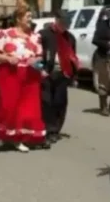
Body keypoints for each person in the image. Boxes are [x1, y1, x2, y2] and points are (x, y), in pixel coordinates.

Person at [0, 6, 49, 153]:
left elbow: (39, 56)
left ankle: (18, 138)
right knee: (8, 105)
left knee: (26, 108)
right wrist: (8, 58)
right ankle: (1, 134)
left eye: (30, 16)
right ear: (18, 19)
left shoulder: (35, 37)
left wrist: (36, 61)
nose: (30, 19)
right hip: (9, 74)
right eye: (27, 16)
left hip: (29, 75)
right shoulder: (5, 34)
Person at [38, 11, 78, 143]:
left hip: (63, 74)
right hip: (47, 73)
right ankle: (47, 130)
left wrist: (73, 77)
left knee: (60, 103)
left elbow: (73, 58)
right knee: (47, 102)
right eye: (63, 22)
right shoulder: (45, 35)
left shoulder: (70, 38)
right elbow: (37, 53)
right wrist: (40, 68)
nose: (65, 25)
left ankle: (55, 130)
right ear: (56, 20)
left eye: (67, 22)